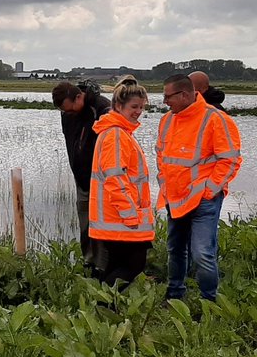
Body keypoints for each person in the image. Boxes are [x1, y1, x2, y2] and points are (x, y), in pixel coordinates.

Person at [155, 73, 242, 301]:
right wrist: (164, 183)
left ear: (184, 95)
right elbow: (161, 156)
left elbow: (230, 159)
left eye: (167, 97)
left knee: (202, 253)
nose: (165, 102)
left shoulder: (216, 119)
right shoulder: (166, 121)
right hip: (174, 197)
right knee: (175, 250)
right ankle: (174, 296)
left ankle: (209, 302)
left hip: (204, 200)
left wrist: (210, 189)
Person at [88, 76, 155, 286]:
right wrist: (130, 215)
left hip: (117, 216)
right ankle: (103, 306)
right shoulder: (116, 134)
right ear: (118, 105)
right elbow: (114, 178)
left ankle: (105, 310)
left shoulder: (119, 132)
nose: (138, 111)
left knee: (117, 264)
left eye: (142, 107)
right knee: (133, 265)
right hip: (119, 217)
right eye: (134, 106)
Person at [52, 79, 112, 271]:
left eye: (70, 110)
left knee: (102, 224)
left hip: (102, 179)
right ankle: (88, 261)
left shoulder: (102, 108)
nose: (67, 114)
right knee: (85, 223)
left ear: (79, 96)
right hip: (82, 178)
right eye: (64, 111)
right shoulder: (67, 113)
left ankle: (103, 267)